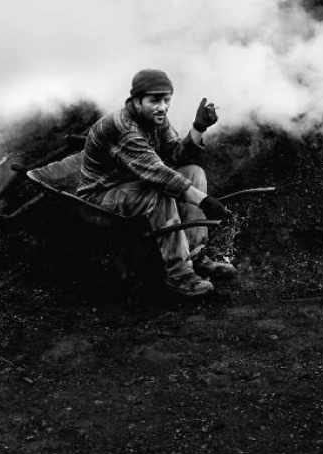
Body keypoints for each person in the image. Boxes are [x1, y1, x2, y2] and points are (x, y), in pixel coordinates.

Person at [76, 68, 235, 298]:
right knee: (159, 193)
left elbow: (176, 156)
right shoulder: (122, 128)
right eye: (155, 100)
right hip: (102, 194)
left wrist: (198, 128)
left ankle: (196, 254)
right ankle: (179, 274)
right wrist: (205, 201)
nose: (162, 107)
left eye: (166, 100)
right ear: (136, 101)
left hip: (135, 183)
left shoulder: (156, 119)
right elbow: (159, 175)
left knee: (194, 173)